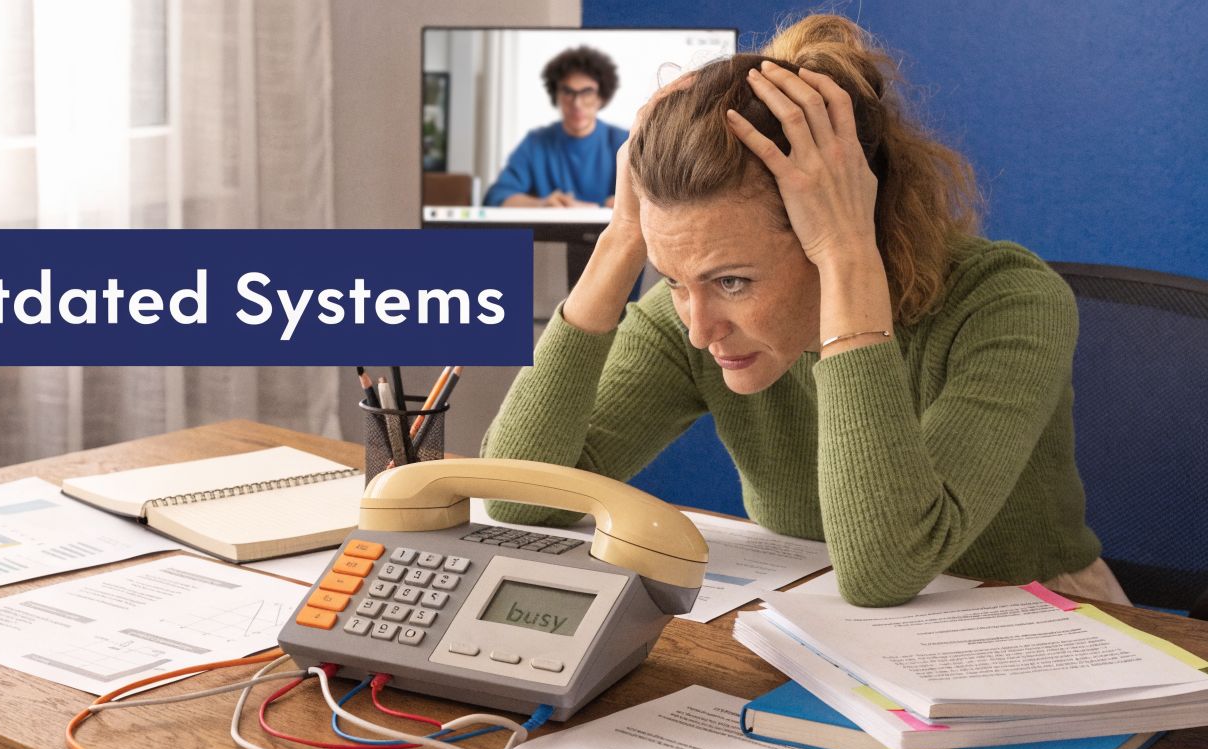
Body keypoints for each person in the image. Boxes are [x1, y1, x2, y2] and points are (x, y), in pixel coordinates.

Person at [480, 14, 1130, 608]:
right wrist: (624, 236)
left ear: (833, 223)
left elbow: (884, 569)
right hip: (816, 613)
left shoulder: (1006, 303)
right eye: (674, 279)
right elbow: (516, 498)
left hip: (1040, 621)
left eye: (733, 281)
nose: (700, 330)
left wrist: (849, 254)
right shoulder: (691, 312)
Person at [482, 46, 630, 208]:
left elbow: (648, 200)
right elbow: (496, 198)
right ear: (556, 95)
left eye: (587, 92)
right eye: (567, 92)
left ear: (601, 96)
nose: (576, 103)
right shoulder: (535, 144)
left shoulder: (625, 142)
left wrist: (628, 206)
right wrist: (542, 204)